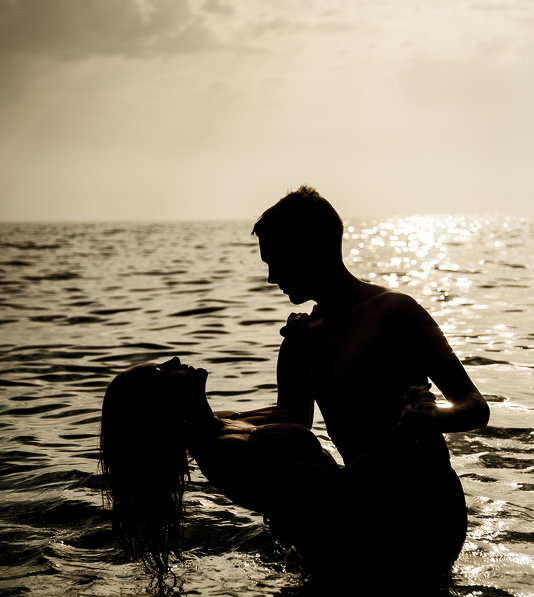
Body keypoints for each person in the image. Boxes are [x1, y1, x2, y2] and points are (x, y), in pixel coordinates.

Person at [251, 186, 490, 574]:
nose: (271, 276)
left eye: (276, 260)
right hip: (359, 497)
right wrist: (212, 419)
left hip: (427, 506)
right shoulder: (301, 338)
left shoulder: (396, 311)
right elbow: (290, 422)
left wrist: (432, 417)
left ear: (313, 245)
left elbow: (474, 406)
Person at [100, 357, 340, 574]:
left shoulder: (221, 422)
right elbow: (335, 490)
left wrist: (294, 348)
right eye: (163, 370)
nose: (175, 359)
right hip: (332, 556)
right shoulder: (226, 450)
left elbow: (294, 413)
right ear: (160, 401)